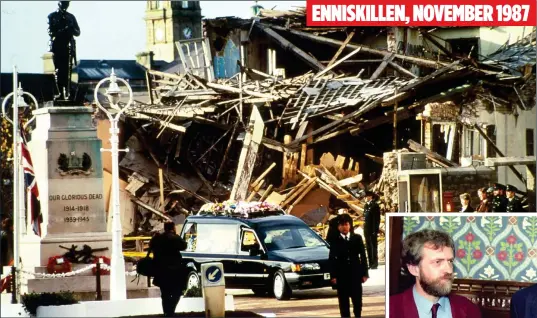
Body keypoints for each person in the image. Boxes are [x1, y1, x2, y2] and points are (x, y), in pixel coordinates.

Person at [390, 229, 481, 318]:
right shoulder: (391, 309)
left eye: (450, 261)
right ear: (414, 269)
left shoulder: (469, 309)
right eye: (438, 262)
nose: (449, 270)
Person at [329, 213, 369, 318]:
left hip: (355, 275)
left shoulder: (357, 238)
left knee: (357, 301)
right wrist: (333, 276)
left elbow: (363, 257)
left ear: (350, 225)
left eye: (346, 224)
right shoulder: (335, 240)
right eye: (341, 225)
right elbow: (332, 259)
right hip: (341, 276)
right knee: (343, 303)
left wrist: (365, 273)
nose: (344, 227)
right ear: (338, 227)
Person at [149, 221, 188, 317]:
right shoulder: (174, 238)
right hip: (174, 271)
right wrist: (177, 235)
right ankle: (171, 311)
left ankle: (166, 312)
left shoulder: (158, 238)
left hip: (161, 271)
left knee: (165, 294)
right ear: (173, 228)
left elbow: (151, 246)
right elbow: (184, 246)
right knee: (177, 292)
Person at [48, 1, 80, 100]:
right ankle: (61, 93)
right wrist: (66, 30)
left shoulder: (71, 17)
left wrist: (71, 29)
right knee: (58, 70)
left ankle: (68, 93)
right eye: (64, 3)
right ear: (59, 3)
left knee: (68, 71)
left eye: (67, 3)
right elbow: (50, 32)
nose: (66, 5)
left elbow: (78, 32)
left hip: (68, 45)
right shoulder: (52, 16)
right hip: (57, 45)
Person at [363, 191, 381, 269]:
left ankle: (374, 263)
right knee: (368, 246)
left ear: (370, 197)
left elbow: (376, 219)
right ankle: (370, 263)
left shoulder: (375, 205)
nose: (365, 198)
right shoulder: (366, 205)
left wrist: (375, 230)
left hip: (372, 229)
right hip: (367, 228)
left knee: (373, 246)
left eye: (366, 196)